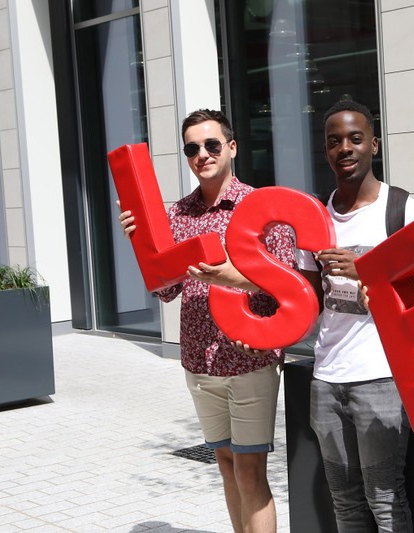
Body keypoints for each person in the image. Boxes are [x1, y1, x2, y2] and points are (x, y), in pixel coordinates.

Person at [118, 109, 295, 533]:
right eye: (193, 148)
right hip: (199, 363)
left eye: (212, 144)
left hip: (248, 358)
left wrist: (233, 277)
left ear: (231, 147)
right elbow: (166, 290)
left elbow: (288, 283)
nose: (203, 154)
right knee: (226, 464)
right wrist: (137, 243)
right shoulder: (178, 215)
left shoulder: (261, 207)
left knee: (251, 470)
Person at [298, 99, 414, 533]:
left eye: (356, 138)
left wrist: (368, 277)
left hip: (382, 375)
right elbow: (306, 295)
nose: (345, 148)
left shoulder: (402, 210)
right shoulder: (314, 218)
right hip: (326, 377)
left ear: (374, 145)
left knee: (384, 498)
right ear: (326, 151)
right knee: (344, 502)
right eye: (334, 141)